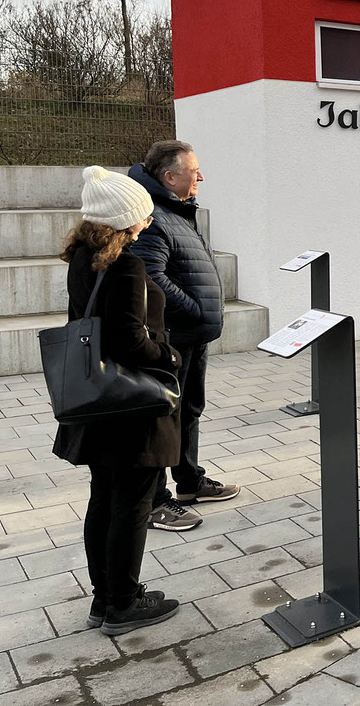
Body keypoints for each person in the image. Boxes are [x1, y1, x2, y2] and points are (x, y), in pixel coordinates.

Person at [53, 166, 183, 636]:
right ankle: (124, 605)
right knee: (132, 503)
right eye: (143, 217)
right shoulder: (126, 264)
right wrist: (169, 354)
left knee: (104, 500)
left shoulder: (82, 257)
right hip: (132, 403)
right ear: (125, 220)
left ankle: (104, 599)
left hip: (97, 400)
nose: (147, 223)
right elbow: (130, 340)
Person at [129, 141, 238, 532]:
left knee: (189, 410)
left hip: (193, 335)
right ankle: (157, 501)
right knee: (165, 416)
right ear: (170, 176)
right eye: (195, 171)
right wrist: (195, 308)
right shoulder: (153, 217)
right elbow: (151, 278)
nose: (201, 177)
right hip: (174, 336)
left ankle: (189, 482)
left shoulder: (176, 211)